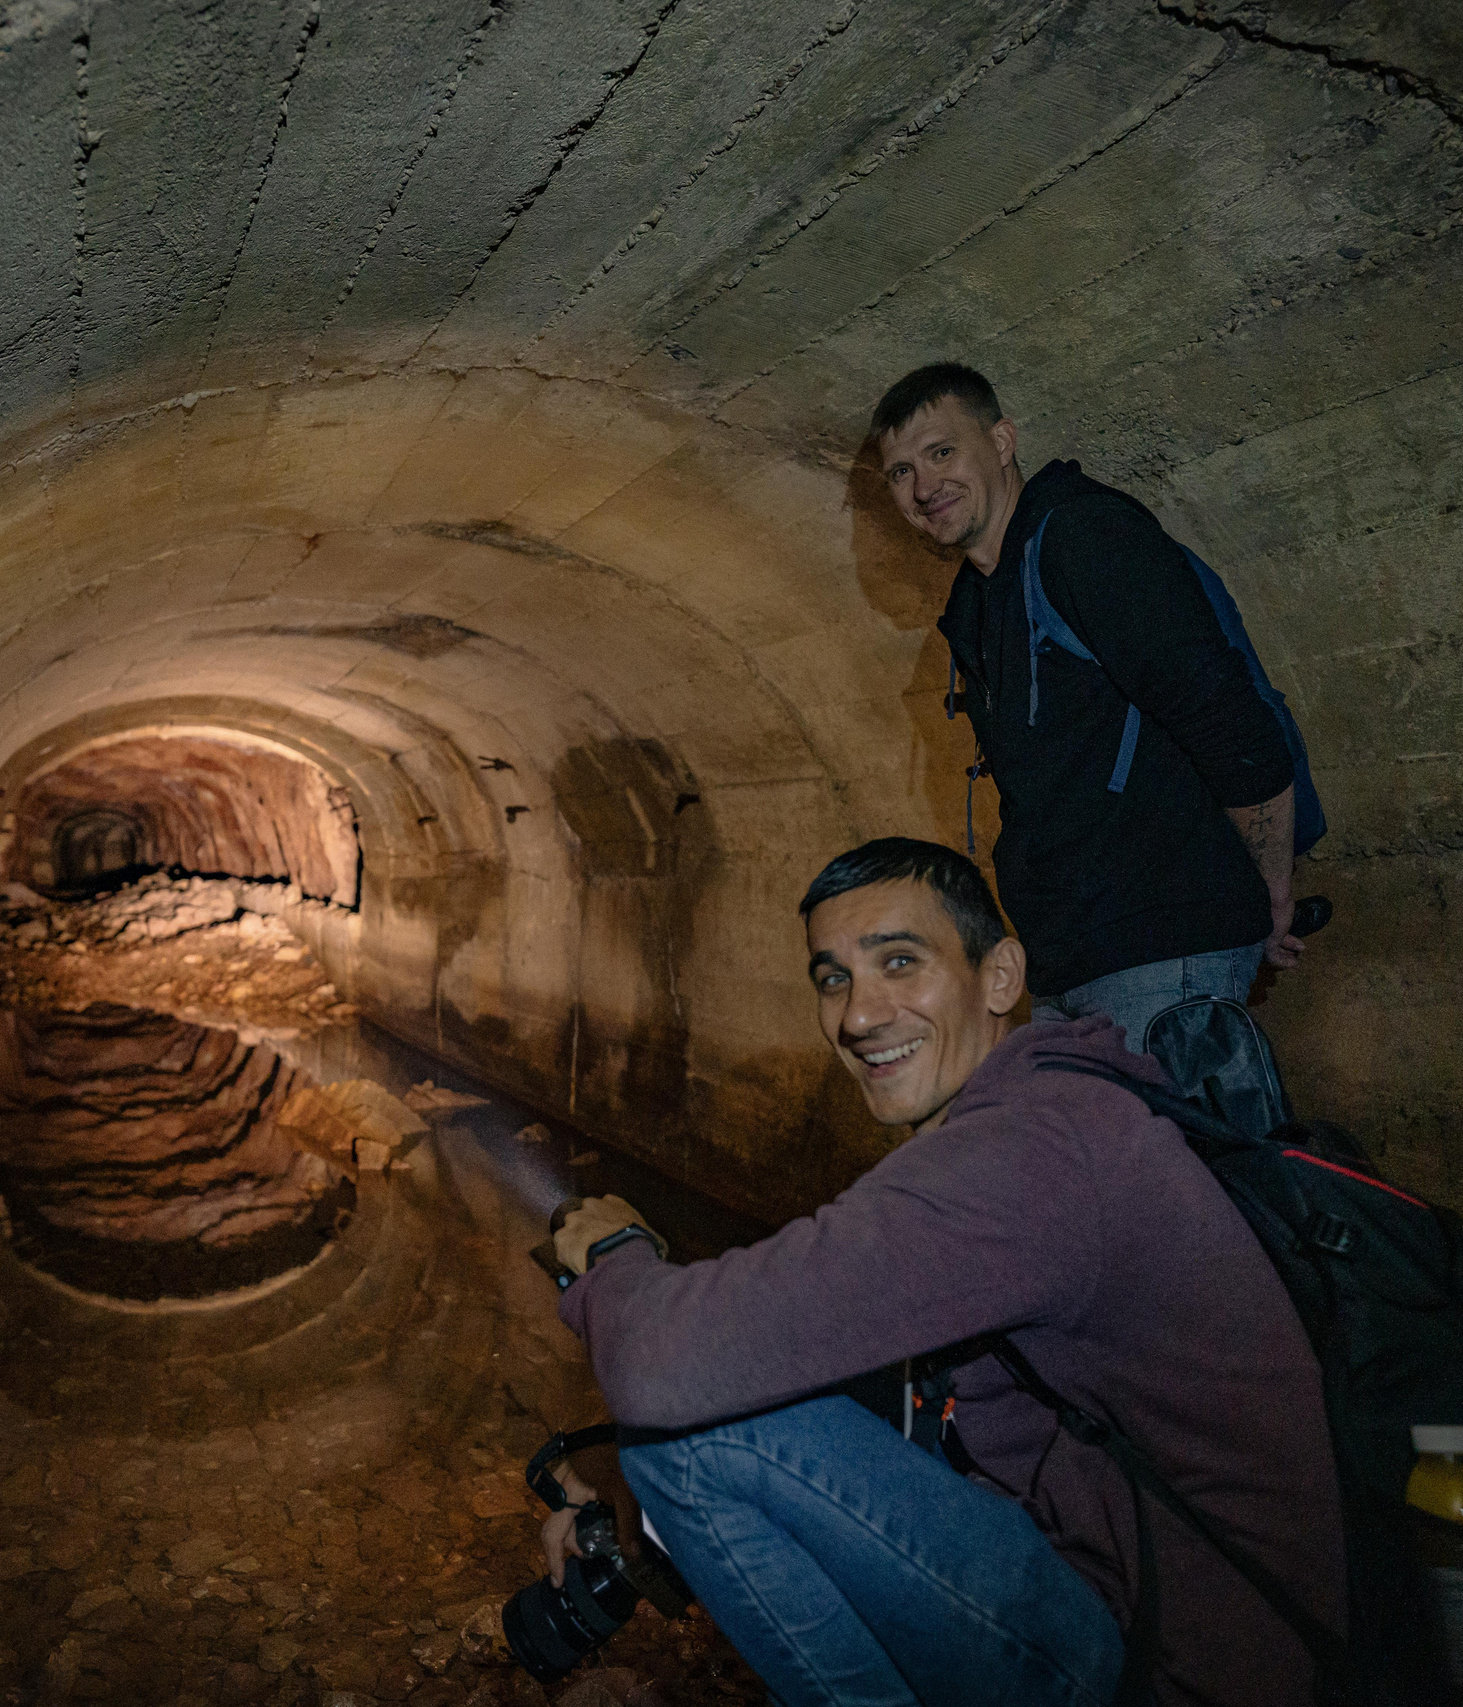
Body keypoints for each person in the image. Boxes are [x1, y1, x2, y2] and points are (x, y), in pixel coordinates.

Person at [540, 838, 1341, 1707]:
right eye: (832, 977)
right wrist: (631, 1505)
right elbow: (858, 1380)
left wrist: (617, 1258)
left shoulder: (1030, 1155)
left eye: (899, 962)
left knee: (684, 1436)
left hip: (1185, 1660)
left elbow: (664, 1365)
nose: (858, 1014)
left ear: (999, 977)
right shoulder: (1044, 1100)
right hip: (1124, 1582)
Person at [872, 363, 1302, 1041]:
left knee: (1159, 1150)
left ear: (1003, 441)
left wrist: (1270, 888)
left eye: (942, 452)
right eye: (900, 471)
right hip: (1069, 962)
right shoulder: (978, 601)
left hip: (1164, 951)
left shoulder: (1085, 539)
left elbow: (1233, 725)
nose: (924, 487)